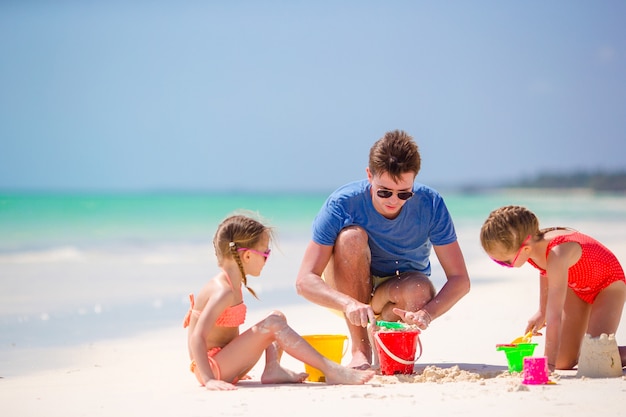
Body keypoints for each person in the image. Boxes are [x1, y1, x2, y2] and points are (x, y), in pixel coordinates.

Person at [295, 130, 471, 369]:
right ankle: (361, 349)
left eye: (404, 193)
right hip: (347, 290)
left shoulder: (431, 204)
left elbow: (460, 279)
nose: (394, 201)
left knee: (420, 289)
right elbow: (304, 280)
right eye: (384, 191)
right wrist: (348, 304)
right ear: (369, 175)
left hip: (397, 292)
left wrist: (427, 313)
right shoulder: (342, 203)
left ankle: (387, 349)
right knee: (351, 237)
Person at [183, 213, 374, 390]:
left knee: (277, 317)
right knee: (273, 324)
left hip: (224, 364)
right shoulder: (222, 291)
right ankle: (331, 369)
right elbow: (197, 336)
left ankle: (273, 368)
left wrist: (237, 360)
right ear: (247, 255)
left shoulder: (231, 284)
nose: (266, 260)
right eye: (265, 254)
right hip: (211, 368)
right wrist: (209, 380)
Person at [480, 205, 626, 371]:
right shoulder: (532, 247)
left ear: (525, 248)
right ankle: (588, 352)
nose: (504, 265)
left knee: (597, 364)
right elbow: (545, 271)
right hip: (576, 286)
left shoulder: (557, 252)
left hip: (608, 286)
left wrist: (547, 365)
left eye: (505, 262)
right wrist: (542, 311)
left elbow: (554, 316)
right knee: (563, 362)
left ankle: (603, 354)